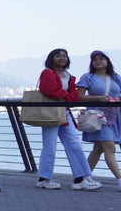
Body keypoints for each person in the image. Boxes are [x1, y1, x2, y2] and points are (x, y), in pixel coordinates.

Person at [35, 48, 102, 190]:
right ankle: (44, 178)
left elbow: (74, 96)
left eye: (64, 56)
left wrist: (64, 96)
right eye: (58, 56)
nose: (61, 58)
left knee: (74, 143)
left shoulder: (68, 75)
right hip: (51, 113)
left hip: (64, 113)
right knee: (50, 146)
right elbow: (49, 91)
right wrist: (66, 96)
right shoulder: (47, 73)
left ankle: (82, 178)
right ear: (51, 58)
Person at [77, 50, 121, 190]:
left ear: (107, 61)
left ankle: (84, 177)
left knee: (98, 149)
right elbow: (79, 96)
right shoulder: (87, 77)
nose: (98, 61)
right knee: (110, 148)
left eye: (102, 58)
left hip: (115, 116)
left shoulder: (114, 77)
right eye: (95, 59)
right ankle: (120, 179)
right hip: (98, 117)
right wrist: (98, 98)